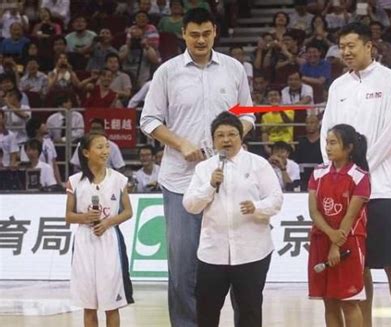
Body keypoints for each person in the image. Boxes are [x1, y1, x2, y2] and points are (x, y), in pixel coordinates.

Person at [139, 8, 254, 327]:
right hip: (181, 182)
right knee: (183, 267)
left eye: (206, 33)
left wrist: (233, 136)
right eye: (194, 34)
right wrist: (181, 144)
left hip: (228, 179)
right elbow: (148, 120)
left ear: (215, 31)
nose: (200, 39)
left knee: (236, 261)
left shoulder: (234, 69)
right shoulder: (167, 72)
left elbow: (248, 115)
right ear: (183, 34)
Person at [320, 22, 391, 327]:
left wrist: (358, 172)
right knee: (357, 267)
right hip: (345, 192)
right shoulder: (338, 87)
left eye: (351, 46)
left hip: (379, 188)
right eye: (342, 47)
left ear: (368, 46)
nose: (345, 52)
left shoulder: (390, 80)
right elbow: (327, 134)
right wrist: (335, 177)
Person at [183, 112, 283, 327]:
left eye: (232, 134)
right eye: (220, 135)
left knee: (250, 311)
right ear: (213, 140)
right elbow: (190, 205)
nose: (226, 139)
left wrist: (257, 207)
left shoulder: (258, 164)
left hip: (252, 251)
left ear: (241, 137)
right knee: (207, 311)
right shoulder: (204, 169)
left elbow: (276, 200)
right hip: (213, 254)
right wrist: (210, 186)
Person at [65, 131, 134, 327]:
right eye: (100, 147)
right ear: (86, 153)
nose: (105, 151)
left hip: (109, 240)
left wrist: (108, 222)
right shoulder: (75, 181)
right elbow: (68, 216)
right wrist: (84, 217)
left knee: (112, 305)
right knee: (89, 305)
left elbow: (128, 212)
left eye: (107, 146)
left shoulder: (118, 179)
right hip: (84, 242)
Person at [308, 124, 370, 327]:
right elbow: (314, 211)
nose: (328, 147)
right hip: (321, 240)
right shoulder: (317, 173)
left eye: (333, 143)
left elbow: (350, 216)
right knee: (329, 302)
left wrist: (336, 244)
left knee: (349, 303)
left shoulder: (360, 176)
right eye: (327, 142)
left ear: (349, 147)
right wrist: (330, 234)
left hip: (349, 242)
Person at [294, 114, 323, 190]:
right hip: (303, 176)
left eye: (312, 122)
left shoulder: (323, 141)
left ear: (318, 124)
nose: (309, 125)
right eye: (307, 123)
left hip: (320, 175)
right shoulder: (300, 141)